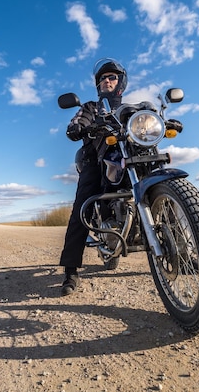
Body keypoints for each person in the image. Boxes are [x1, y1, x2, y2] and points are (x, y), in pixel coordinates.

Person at [58, 58, 128, 296]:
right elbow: (77, 121)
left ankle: (181, 247)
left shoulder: (132, 109)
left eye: (112, 77)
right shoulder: (90, 107)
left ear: (121, 82)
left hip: (126, 159)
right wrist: (77, 127)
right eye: (102, 79)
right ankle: (70, 270)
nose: (107, 81)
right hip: (96, 160)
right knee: (82, 206)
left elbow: (148, 119)